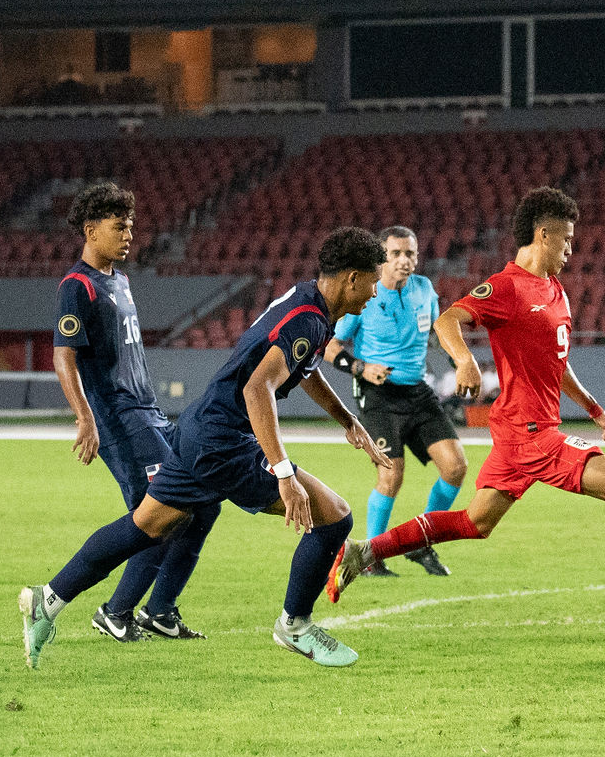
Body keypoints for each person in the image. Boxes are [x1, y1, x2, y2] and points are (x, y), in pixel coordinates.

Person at [328, 187, 605, 648]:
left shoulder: (556, 291)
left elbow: (558, 363)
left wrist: (595, 411)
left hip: (522, 433)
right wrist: (464, 361)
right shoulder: (506, 287)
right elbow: (447, 320)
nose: (571, 249)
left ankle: (363, 551)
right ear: (542, 234)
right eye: (566, 239)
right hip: (530, 433)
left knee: (475, 523)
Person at [20, 226, 392, 669]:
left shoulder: (309, 302)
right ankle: (295, 626)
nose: (374, 292)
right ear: (351, 277)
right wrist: (285, 475)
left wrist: (348, 421)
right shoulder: (309, 320)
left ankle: (48, 601)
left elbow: (303, 369)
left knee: (147, 526)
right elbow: (259, 390)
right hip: (224, 441)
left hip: (200, 429)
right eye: (373, 281)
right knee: (333, 517)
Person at [54, 181, 216, 643]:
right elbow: (63, 355)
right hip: (120, 419)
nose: (129, 235)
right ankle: (115, 612)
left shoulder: (120, 280)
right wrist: (85, 417)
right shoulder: (77, 286)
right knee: (162, 513)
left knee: (201, 503)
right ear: (90, 230)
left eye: (131, 226)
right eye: (119, 227)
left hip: (148, 412)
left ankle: (160, 611)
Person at [324, 226, 467, 579]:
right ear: (382, 258)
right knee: (391, 473)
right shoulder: (365, 297)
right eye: (396, 254)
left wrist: (462, 364)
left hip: (416, 391)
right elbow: (330, 347)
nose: (404, 261)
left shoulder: (424, 290)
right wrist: (360, 368)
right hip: (378, 394)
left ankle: (422, 541)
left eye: (410, 254)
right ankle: (371, 556)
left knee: (455, 467)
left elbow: (440, 333)